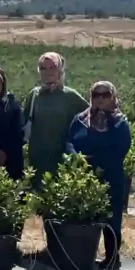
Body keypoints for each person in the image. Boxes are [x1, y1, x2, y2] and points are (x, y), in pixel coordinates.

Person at [67, 81, 131, 270]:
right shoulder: (79, 119)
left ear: (112, 97)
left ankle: (112, 258)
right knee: (85, 217)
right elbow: (69, 142)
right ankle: (84, 257)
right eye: (96, 95)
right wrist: (76, 157)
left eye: (105, 95)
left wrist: (95, 160)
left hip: (111, 175)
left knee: (111, 219)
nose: (101, 99)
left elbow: (121, 149)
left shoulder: (120, 122)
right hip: (84, 175)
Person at [23, 52, 88, 184]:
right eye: (43, 68)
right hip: (38, 159)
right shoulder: (34, 95)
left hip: (62, 158)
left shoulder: (71, 96)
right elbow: (23, 123)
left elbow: (90, 116)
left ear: (60, 70)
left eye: (52, 67)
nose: (48, 72)